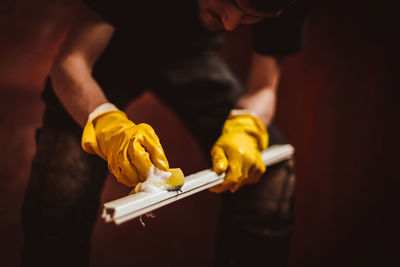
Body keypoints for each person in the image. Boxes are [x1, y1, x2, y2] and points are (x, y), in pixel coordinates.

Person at [20, 0, 309, 266]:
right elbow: (71, 61)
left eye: (250, 16)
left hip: (192, 54)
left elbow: (263, 87)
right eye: (229, 1)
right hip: (107, 54)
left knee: (271, 176)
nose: (231, 24)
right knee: (61, 188)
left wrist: (246, 126)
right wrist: (105, 123)